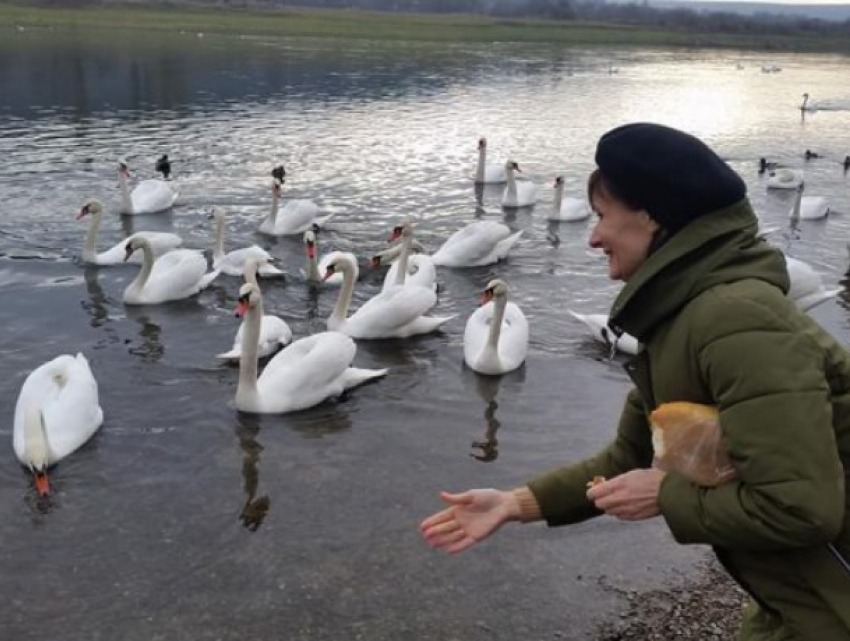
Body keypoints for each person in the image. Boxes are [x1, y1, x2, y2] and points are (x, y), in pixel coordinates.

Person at [420, 123, 850, 641]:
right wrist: (517, 504)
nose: (594, 235)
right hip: (795, 593)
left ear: (651, 216)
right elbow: (628, 458)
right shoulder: (680, 321)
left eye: (603, 217)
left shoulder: (735, 321)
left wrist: (666, 495)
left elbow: (802, 509)